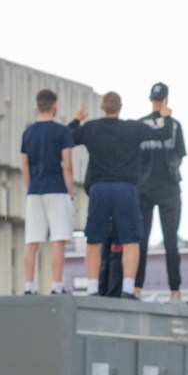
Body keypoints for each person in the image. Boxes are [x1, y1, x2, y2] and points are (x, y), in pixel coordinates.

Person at [72, 92, 146, 297]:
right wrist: (164, 115)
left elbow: (68, 137)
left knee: (93, 239)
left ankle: (93, 288)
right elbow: (160, 133)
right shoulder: (132, 128)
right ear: (120, 107)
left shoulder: (91, 128)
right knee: (131, 239)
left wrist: (77, 119)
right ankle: (129, 288)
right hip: (126, 188)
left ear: (102, 107)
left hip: (100, 188)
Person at [17, 89, 75, 295]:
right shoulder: (62, 132)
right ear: (54, 106)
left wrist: (30, 186)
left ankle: (28, 286)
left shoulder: (28, 132)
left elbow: (24, 166)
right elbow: (67, 164)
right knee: (58, 239)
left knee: (32, 241)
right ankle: (56, 286)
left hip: (35, 190)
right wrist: (70, 192)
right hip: (56, 188)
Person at [134, 83, 187, 301]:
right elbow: (180, 157)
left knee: (141, 241)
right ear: (166, 99)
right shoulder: (174, 125)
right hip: (169, 189)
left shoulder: (139, 125)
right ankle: (175, 291)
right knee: (171, 242)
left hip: (144, 188)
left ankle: (136, 288)